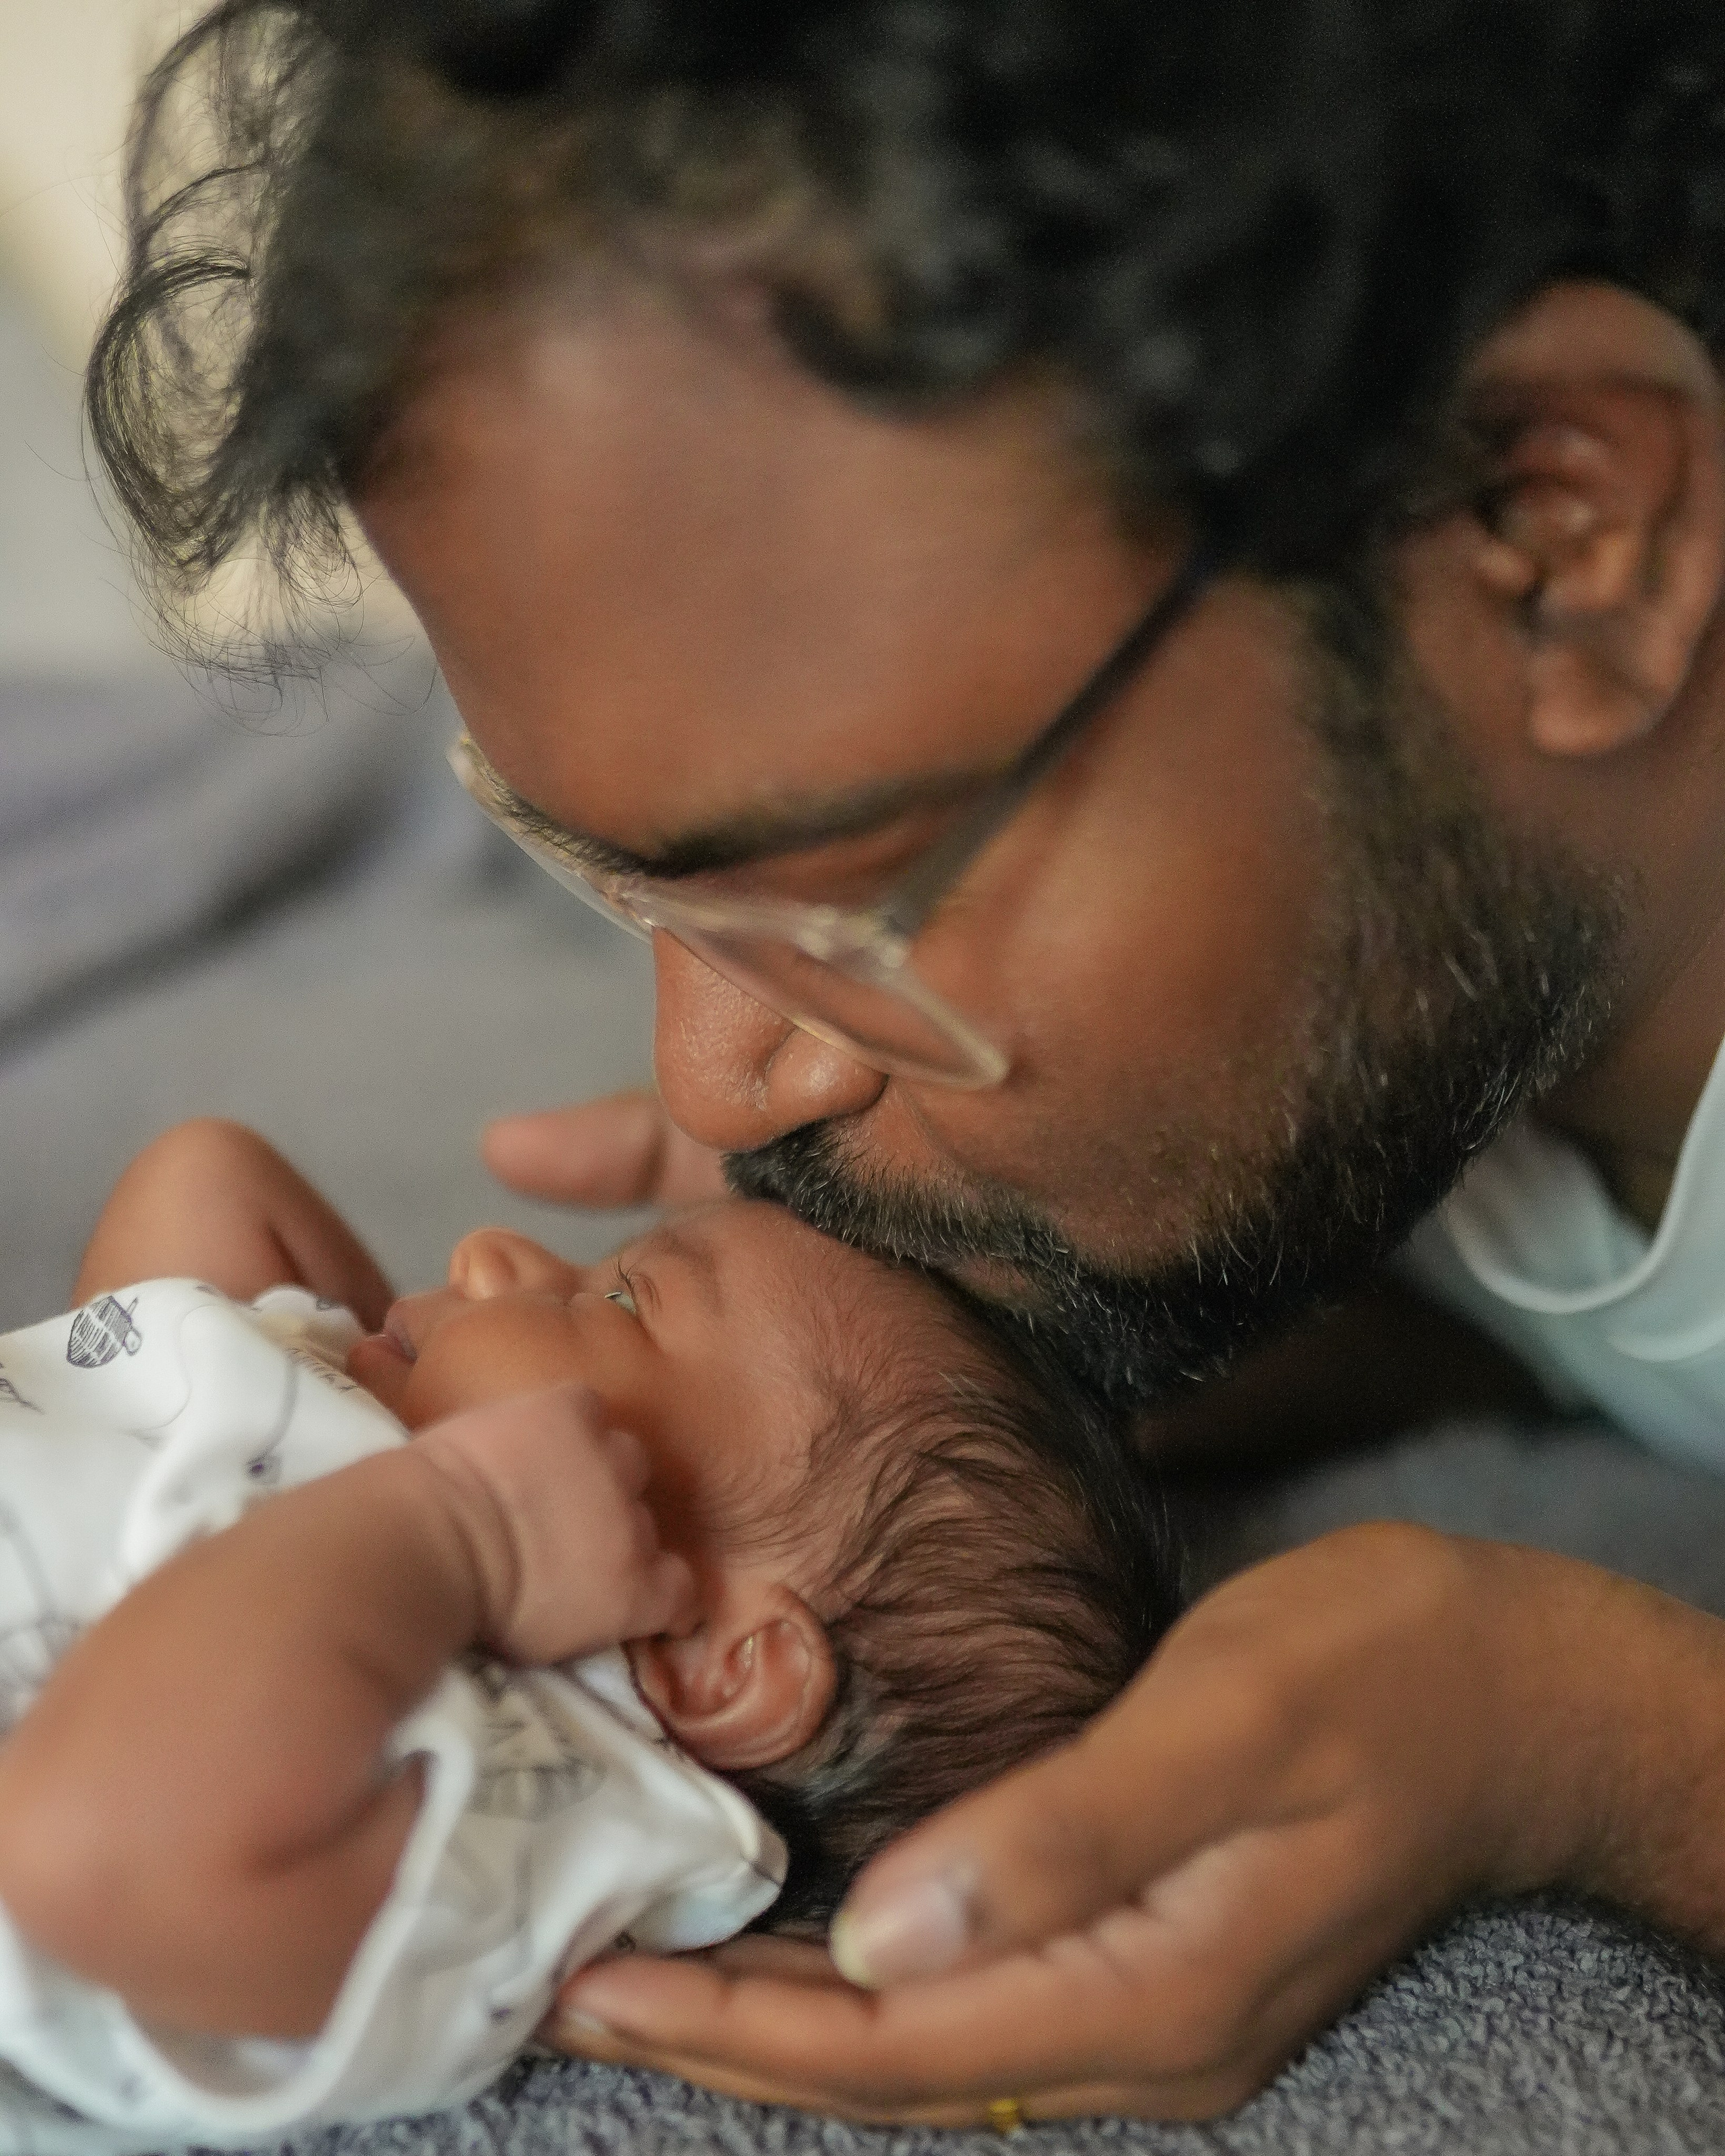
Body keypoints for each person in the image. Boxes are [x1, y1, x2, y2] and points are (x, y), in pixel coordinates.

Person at [84, 0, 1725, 2128]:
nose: (721, 1072)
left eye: (841, 893)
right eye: (621, 884)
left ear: (1556, 532)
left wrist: (1586, 1738)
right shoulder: (1464, 981)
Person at [0, 1120, 1171, 2147]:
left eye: (614, 1301)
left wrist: (465, 1530)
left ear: (719, 1659)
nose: (491, 1253)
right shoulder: (379, 1523)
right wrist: (379, 1404)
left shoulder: (516, 1806)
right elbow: (208, 1185)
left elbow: (88, 1853)